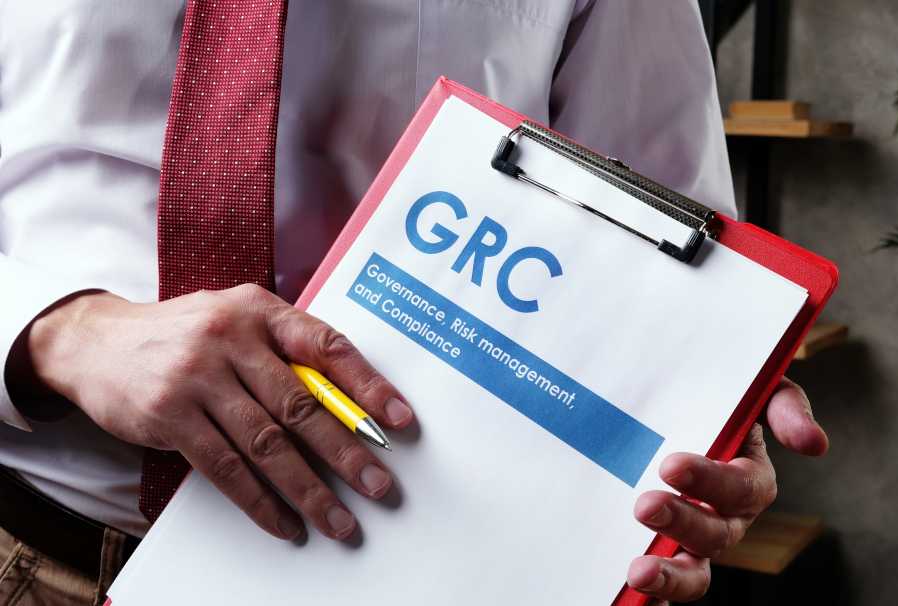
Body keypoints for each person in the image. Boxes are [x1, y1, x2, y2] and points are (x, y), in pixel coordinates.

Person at [0, 1, 829, 604]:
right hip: (40, 552)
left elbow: (666, 251)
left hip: (428, 564)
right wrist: (61, 332)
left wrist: (707, 408)